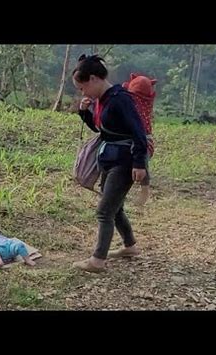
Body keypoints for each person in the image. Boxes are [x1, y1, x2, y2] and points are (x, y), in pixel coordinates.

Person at [72, 54, 149, 273]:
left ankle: (98, 260)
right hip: (110, 159)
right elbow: (102, 131)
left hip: (124, 163)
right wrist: (84, 112)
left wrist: (139, 163)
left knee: (105, 211)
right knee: (115, 208)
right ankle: (130, 246)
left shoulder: (120, 99)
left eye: (82, 87)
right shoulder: (103, 101)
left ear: (94, 79)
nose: (83, 92)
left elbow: (139, 131)